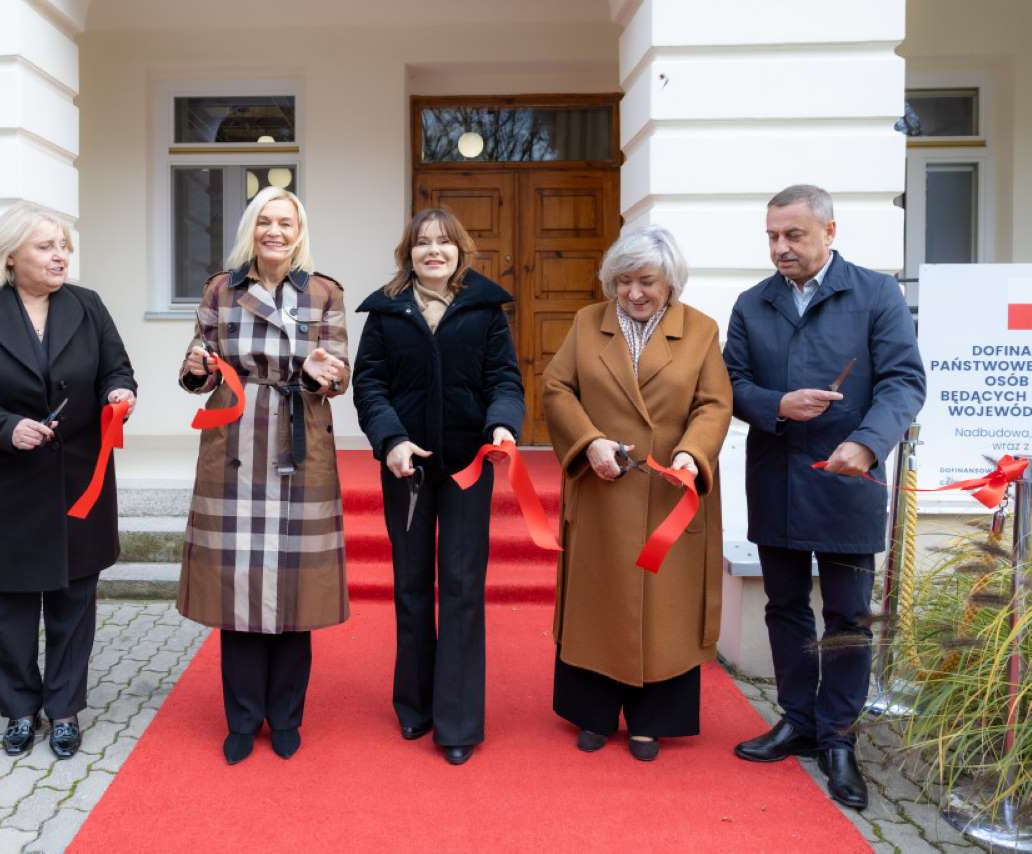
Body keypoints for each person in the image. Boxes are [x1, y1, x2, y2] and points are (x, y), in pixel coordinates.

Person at [724, 184, 925, 810]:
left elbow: (903, 381)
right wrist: (775, 405)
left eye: (794, 236)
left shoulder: (875, 294)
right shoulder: (751, 303)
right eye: (772, 237)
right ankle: (798, 720)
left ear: (829, 232)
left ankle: (839, 736)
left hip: (848, 481)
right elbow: (730, 383)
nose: (780, 248)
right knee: (784, 607)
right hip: (778, 476)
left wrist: (867, 445)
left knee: (845, 617)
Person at [0, 201, 137, 759]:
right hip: (5, 478)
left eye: (63, 246)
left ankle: (64, 708)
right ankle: (19, 709)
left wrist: (120, 393)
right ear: (10, 255)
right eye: (46, 246)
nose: (59, 255)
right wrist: (6, 427)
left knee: (74, 597)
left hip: (78, 478)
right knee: (9, 604)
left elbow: (116, 367)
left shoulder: (87, 306)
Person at [542, 225, 731, 762]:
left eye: (646, 280)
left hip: (669, 494)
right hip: (602, 490)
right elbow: (557, 388)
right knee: (598, 603)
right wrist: (589, 442)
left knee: (663, 610)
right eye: (623, 281)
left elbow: (714, 404)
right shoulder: (586, 323)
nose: (634, 293)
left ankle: (652, 720)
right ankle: (593, 714)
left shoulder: (700, 331)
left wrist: (694, 452)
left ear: (670, 281)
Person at [178, 187, 350, 766]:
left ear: (299, 233)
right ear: (251, 228)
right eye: (266, 222)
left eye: (287, 223)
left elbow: (339, 371)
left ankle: (286, 717)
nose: (276, 232)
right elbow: (196, 365)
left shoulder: (323, 292)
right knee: (239, 588)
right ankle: (241, 718)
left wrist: (322, 373)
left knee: (294, 588)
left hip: (301, 440)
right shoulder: (220, 289)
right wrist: (199, 369)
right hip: (236, 439)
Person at [352, 208, 524, 766]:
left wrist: (502, 420)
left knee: (461, 584)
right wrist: (391, 440)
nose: (433, 251)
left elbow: (505, 378)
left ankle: (457, 721)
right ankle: (415, 704)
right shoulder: (384, 312)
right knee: (410, 583)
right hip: (406, 466)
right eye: (423, 242)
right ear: (409, 251)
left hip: (468, 465)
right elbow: (370, 385)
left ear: (459, 249)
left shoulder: (485, 309)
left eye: (444, 242)